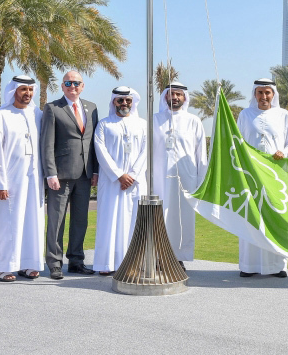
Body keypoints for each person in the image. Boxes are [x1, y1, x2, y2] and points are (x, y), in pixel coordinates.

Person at [236, 78, 288, 278]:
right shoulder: (245, 115)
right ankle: (248, 265)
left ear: (273, 95)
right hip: (251, 174)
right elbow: (237, 142)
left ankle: (277, 266)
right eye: (260, 93)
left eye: (267, 93)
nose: (264, 97)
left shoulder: (283, 115)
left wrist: (283, 153)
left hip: (276, 175)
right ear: (255, 94)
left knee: (276, 217)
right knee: (251, 217)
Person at [40, 71, 99, 280]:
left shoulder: (91, 108)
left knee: (80, 221)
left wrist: (95, 171)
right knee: (57, 221)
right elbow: (46, 143)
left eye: (76, 83)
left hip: (84, 175)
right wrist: (50, 173)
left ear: (82, 86)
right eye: (68, 83)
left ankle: (76, 261)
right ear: (62, 86)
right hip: (61, 175)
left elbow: (93, 142)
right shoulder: (53, 108)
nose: (72, 86)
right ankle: (55, 263)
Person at [0, 75, 45, 282]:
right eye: (23, 90)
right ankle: (4, 266)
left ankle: (28, 263)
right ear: (14, 91)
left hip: (34, 178)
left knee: (32, 221)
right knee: (8, 223)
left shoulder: (37, 114)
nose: (27, 94)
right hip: (10, 179)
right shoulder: (1, 115)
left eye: (31, 90)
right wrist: (0, 183)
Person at [93, 86, 147, 275]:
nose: (124, 104)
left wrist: (131, 175)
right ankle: (106, 264)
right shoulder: (104, 125)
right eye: (120, 100)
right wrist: (119, 175)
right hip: (111, 183)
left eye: (128, 101)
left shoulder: (142, 124)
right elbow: (101, 152)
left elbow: (145, 152)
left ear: (132, 103)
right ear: (113, 102)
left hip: (135, 183)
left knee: (134, 222)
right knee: (109, 220)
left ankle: (132, 263)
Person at [153, 82, 207, 270]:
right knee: (160, 217)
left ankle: (178, 258)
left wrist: (201, 181)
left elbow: (201, 154)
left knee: (182, 219)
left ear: (184, 98)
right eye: (171, 94)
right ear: (165, 97)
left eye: (178, 94)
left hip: (186, 178)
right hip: (159, 180)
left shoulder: (194, 121)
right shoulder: (154, 120)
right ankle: (160, 256)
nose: (175, 97)